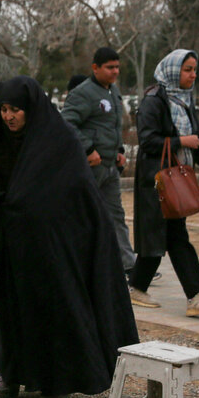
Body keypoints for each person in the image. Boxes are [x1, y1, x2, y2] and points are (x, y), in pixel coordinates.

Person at [0, 76, 138, 398]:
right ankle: (12, 375)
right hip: (18, 240)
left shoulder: (59, 139)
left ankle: (56, 382)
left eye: (15, 110)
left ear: (30, 108)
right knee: (11, 304)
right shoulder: (0, 138)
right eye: (4, 109)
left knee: (55, 305)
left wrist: (39, 210)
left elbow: (74, 192)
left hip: (57, 241)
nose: (8, 116)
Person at [128, 49, 199, 317]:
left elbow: (198, 141)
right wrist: (180, 141)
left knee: (165, 235)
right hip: (157, 180)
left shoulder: (185, 100)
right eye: (187, 70)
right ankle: (195, 296)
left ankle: (137, 287)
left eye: (195, 70)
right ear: (173, 71)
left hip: (177, 179)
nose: (193, 75)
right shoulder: (153, 101)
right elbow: (147, 141)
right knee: (172, 237)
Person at [62, 47, 136, 275]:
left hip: (110, 166)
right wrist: (88, 149)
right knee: (80, 216)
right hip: (90, 168)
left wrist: (119, 150)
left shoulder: (113, 91)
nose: (115, 72)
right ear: (95, 68)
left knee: (115, 216)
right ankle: (68, 261)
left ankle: (128, 264)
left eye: (117, 67)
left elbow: (112, 126)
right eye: (110, 67)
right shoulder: (83, 93)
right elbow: (67, 123)